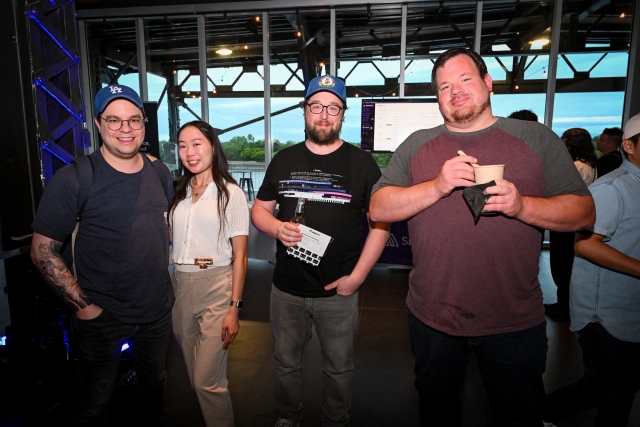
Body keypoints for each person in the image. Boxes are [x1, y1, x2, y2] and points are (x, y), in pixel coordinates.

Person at [369, 48, 595, 426]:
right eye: (444, 86)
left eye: (465, 79)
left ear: (488, 84)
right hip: (432, 319)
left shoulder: (534, 138)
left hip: (514, 322)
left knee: (520, 416)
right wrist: (438, 185)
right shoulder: (417, 144)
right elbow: (378, 207)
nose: (454, 91)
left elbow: (583, 213)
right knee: (437, 414)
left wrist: (522, 205)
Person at [30, 84, 175, 426]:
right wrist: (86, 308)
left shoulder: (160, 172)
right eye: (114, 120)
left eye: (133, 120)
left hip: (157, 313)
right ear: (98, 124)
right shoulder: (75, 178)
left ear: (144, 124)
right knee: (95, 404)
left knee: (154, 393)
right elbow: (41, 251)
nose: (125, 129)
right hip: (101, 317)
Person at [251, 74, 389, 427]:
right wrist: (277, 227)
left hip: (339, 293)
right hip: (286, 289)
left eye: (333, 107)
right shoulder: (283, 160)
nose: (324, 114)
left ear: (343, 113)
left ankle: (336, 420)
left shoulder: (363, 165)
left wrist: (356, 279)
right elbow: (259, 211)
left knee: (340, 369)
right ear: (305, 111)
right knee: (285, 365)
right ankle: (287, 417)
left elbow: (381, 224)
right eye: (316, 106)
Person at [543, 114, 640, 427]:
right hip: (607, 313)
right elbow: (584, 244)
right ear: (629, 145)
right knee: (606, 387)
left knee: (621, 389)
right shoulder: (613, 188)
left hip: (630, 307)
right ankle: (532, 413)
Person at [169, 120, 249, 427]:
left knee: (206, 382)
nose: (190, 152)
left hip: (216, 285)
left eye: (197, 143)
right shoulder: (179, 191)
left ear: (212, 147)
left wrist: (234, 308)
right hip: (180, 285)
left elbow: (240, 256)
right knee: (195, 378)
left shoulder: (231, 194)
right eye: (183, 145)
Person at [546, 128, 598, 322]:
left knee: (561, 265)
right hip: (576, 222)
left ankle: (563, 308)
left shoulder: (576, 166)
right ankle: (564, 305)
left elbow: (558, 191)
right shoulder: (590, 164)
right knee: (567, 265)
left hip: (567, 221)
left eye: (564, 140)